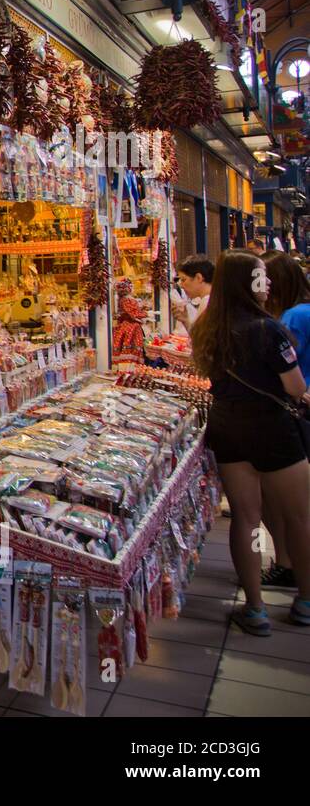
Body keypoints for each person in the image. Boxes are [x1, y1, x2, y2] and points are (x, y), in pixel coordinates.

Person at [191, 250, 310, 634]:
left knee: (246, 519)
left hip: (227, 428)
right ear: (249, 283)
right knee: (298, 517)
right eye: (262, 276)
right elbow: (295, 388)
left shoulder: (209, 327)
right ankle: (306, 601)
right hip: (273, 430)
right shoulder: (270, 330)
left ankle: (254, 607)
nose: (269, 282)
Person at [259, 251, 310, 589]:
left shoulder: (292, 318)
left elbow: (285, 373)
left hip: (294, 412)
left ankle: (292, 568)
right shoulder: (301, 311)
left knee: (284, 504)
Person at [170, 254, 213, 331]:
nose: (181, 286)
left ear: (198, 278)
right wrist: (186, 321)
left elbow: (202, 342)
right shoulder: (208, 299)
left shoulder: (208, 301)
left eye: (183, 280)